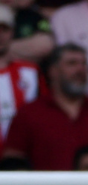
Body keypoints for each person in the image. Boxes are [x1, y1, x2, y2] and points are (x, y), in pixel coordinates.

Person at [3, 44, 88, 171]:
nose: (80, 69)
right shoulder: (29, 113)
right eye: (72, 63)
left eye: (84, 64)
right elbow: (12, 164)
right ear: (53, 71)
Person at [0, 8, 41, 147]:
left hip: (23, 161)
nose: (0, 35)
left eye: (4, 29)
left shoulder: (31, 71)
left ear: (12, 32)